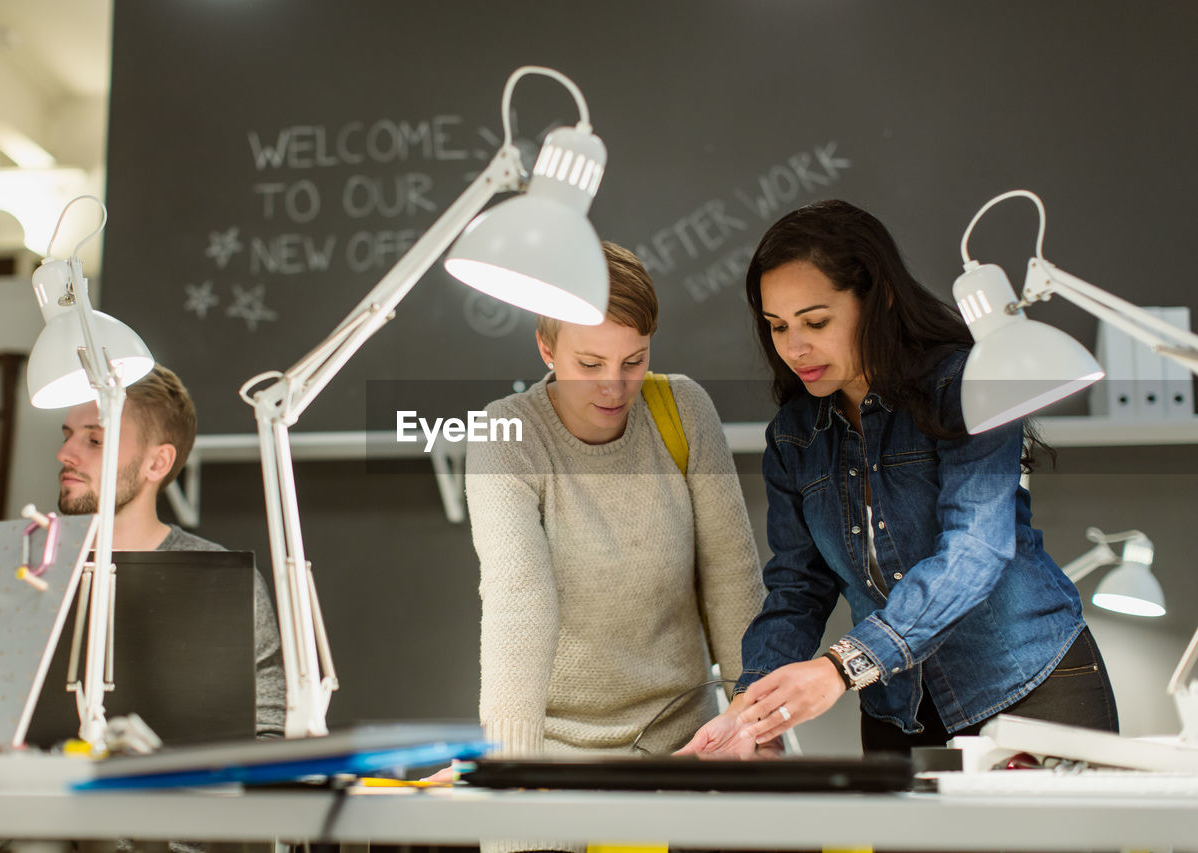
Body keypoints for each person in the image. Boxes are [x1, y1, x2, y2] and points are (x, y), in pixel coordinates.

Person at [680, 200, 1117, 759]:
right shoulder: (794, 436)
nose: (793, 348)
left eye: (815, 322)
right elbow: (797, 589)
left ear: (878, 299)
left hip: (1026, 690)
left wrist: (843, 667)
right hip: (899, 715)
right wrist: (751, 711)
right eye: (777, 326)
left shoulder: (966, 385)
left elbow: (975, 549)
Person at [459, 240, 764, 787]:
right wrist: (509, 779)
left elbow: (733, 583)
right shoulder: (505, 436)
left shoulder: (683, 410)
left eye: (634, 360)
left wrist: (757, 733)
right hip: (556, 754)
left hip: (686, 746)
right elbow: (517, 602)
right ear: (546, 348)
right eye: (590, 363)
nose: (614, 386)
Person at [54, 364, 286, 739]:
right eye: (67, 436)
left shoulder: (221, 582)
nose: (65, 453)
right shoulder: (27, 567)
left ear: (157, 463)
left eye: (94, 440)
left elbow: (268, 729)